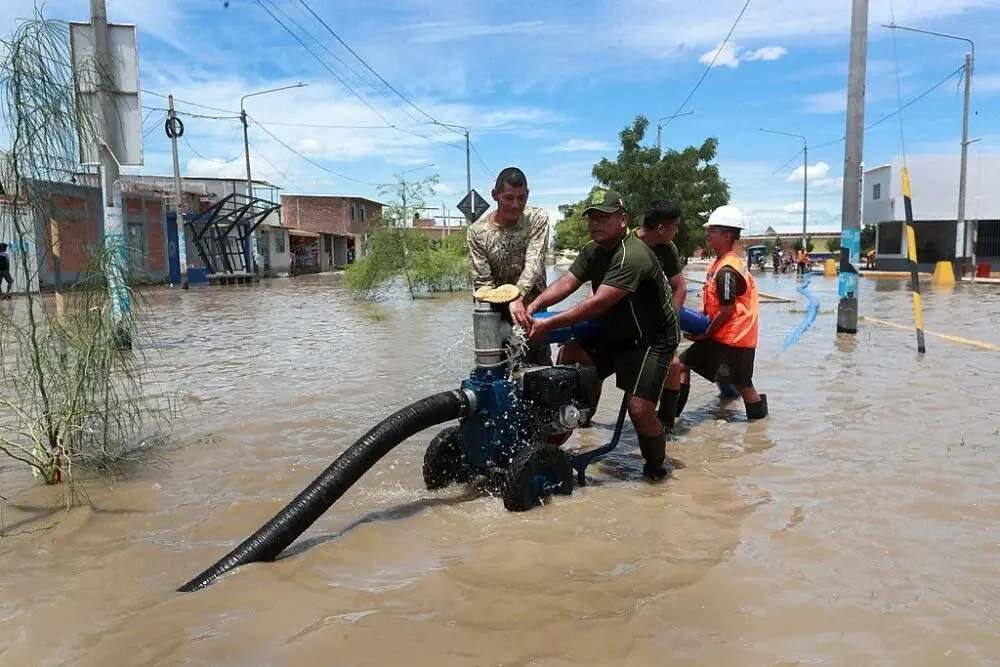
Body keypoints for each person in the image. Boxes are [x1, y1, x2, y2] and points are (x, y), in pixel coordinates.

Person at [526, 188, 680, 482]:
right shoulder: (592, 251)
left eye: (604, 217)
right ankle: (579, 421)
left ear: (623, 220)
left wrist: (550, 323)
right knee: (571, 353)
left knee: (639, 409)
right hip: (615, 330)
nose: (596, 223)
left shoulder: (631, 255)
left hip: (652, 340)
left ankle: (656, 469)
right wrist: (535, 303)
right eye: (592, 217)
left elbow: (596, 303)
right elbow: (568, 282)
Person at [668, 205, 767, 422]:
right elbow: (714, 303)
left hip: (734, 339)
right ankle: (671, 417)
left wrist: (705, 334)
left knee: (744, 386)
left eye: (712, 231)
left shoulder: (727, 270)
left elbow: (726, 310)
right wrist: (698, 318)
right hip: (722, 334)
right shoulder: (718, 263)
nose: (707, 235)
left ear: (726, 235)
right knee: (682, 366)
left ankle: (759, 426)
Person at [467, 166, 551, 365]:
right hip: (497, 315)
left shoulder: (537, 218)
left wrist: (518, 295)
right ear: (495, 195)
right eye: (509, 198)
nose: (516, 204)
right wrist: (509, 300)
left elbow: (535, 261)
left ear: (528, 194)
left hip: (534, 309)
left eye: (521, 198)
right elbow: (483, 283)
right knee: (496, 373)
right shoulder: (477, 232)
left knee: (541, 373)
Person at [634, 200, 687, 428]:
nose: (677, 231)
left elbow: (680, 287)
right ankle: (585, 422)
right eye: (675, 226)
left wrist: (669, 322)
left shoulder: (668, 249)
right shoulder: (625, 244)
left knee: (674, 365)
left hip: (655, 321)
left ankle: (667, 423)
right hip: (624, 319)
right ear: (661, 228)